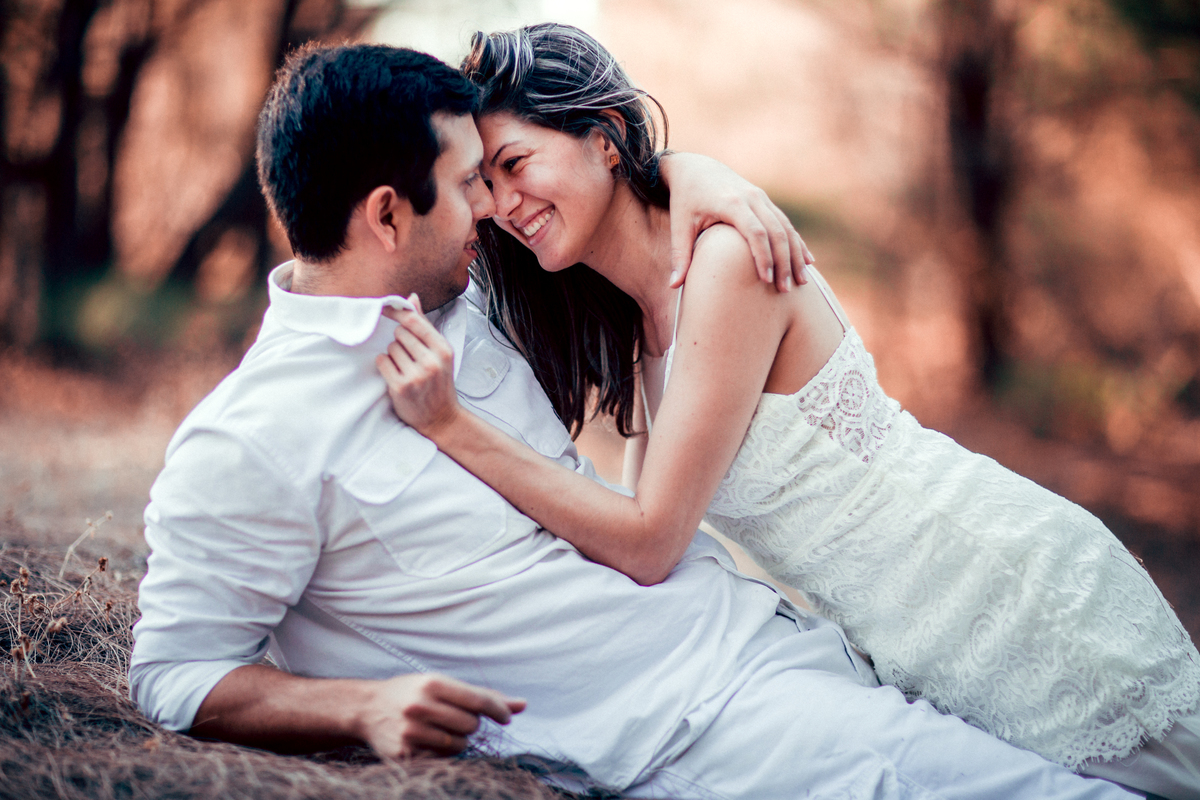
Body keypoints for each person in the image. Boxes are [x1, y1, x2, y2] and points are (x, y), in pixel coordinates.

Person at [127, 40, 1139, 800]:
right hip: (701, 725)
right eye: (470, 183)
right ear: (388, 214)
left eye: (497, 172)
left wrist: (699, 175)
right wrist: (360, 706)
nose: (492, 208)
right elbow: (173, 670)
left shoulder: (471, 298)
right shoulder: (252, 436)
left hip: (811, 639)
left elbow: (616, 206)